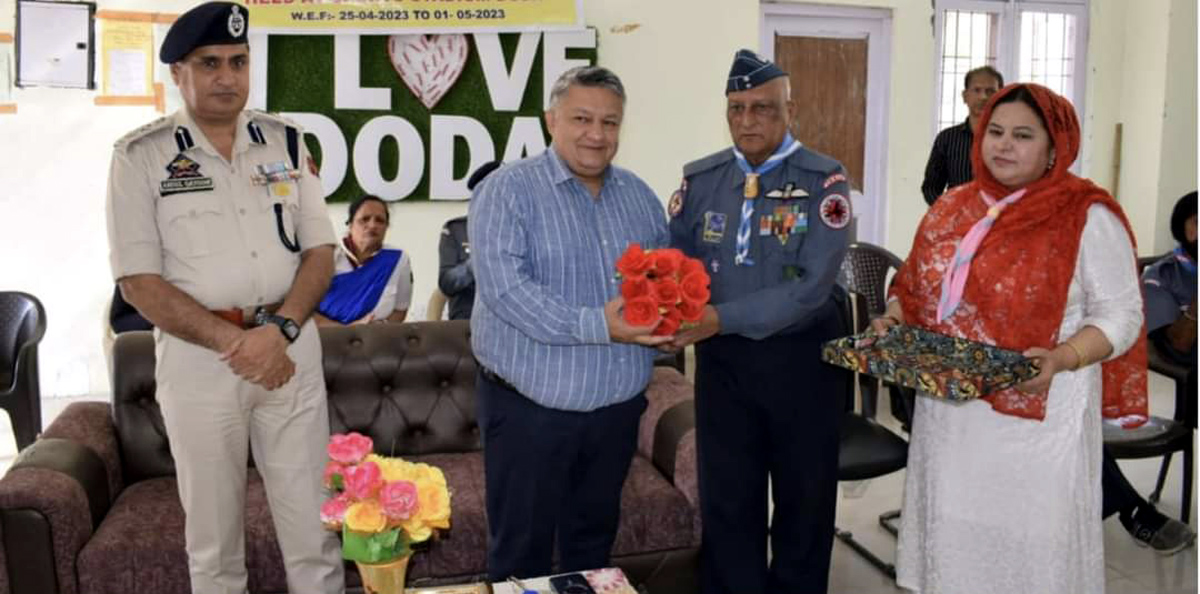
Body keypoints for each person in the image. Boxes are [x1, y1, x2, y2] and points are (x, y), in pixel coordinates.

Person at [104, 3, 343, 593]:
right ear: (178, 74)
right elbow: (138, 281)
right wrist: (237, 343)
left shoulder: (287, 142)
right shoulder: (141, 157)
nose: (226, 76)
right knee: (214, 546)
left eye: (238, 61)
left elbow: (320, 252)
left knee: (316, 534)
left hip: (290, 352)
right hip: (201, 363)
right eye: (209, 63)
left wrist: (279, 332)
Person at [877, 83, 1147, 594]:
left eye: (1022, 135)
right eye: (995, 132)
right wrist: (895, 315)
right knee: (955, 538)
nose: (1003, 145)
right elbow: (914, 285)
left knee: (1032, 547)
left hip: (1041, 415)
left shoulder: (1085, 215)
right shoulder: (954, 205)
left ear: (1054, 148)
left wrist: (1065, 357)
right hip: (952, 420)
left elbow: (1123, 313)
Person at [468, 65, 670, 581]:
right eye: (582, 118)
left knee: (593, 550)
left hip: (615, 415)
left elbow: (661, 280)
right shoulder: (506, 191)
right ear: (551, 120)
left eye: (610, 122)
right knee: (521, 556)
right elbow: (507, 292)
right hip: (530, 414)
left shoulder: (641, 198)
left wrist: (677, 317)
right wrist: (598, 324)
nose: (597, 135)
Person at [667, 49, 851, 594]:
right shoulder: (702, 181)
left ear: (789, 109)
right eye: (736, 108)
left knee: (804, 500)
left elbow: (812, 287)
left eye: (763, 108)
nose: (747, 121)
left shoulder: (824, 181)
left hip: (803, 363)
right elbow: (677, 264)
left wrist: (717, 316)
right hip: (725, 365)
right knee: (727, 499)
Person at [314, 194, 413, 325]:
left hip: (375, 339)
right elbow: (304, 309)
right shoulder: (325, 256)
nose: (372, 225)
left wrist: (378, 329)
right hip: (327, 338)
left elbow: (400, 311)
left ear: (386, 227)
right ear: (350, 224)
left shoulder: (398, 259)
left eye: (379, 220)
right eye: (364, 219)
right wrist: (346, 331)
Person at [920, 65, 1003, 205]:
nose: (983, 97)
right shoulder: (947, 139)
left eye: (990, 91)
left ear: (1000, 96)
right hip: (957, 220)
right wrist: (947, 213)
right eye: (977, 90)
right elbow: (931, 187)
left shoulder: (1008, 140)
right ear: (965, 96)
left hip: (1002, 218)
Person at [438, 160, 500, 321]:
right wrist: (477, 263)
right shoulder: (456, 229)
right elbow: (446, 283)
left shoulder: (524, 228)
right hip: (468, 322)